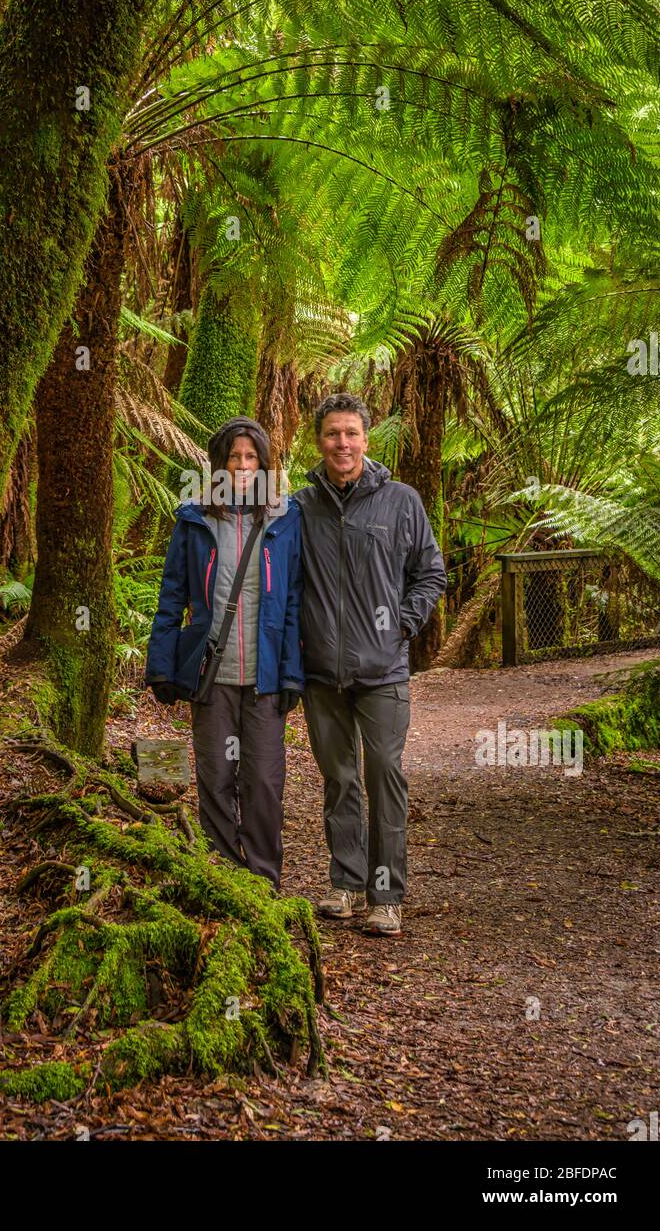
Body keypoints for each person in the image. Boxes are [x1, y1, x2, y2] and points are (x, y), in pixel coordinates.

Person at [293, 392, 447, 936]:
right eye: (333, 433)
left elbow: (431, 573)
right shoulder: (299, 507)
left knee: (384, 775)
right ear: (319, 440)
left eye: (352, 433)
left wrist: (402, 624)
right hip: (320, 675)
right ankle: (347, 884)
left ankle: (387, 896)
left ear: (366, 438)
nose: (342, 443)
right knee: (339, 779)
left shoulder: (401, 501)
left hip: (383, 672)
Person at [145, 417, 304, 888]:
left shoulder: (284, 517)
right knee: (215, 778)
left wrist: (293, 674)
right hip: (210, 674)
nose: (242, 465)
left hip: (265, 676)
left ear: (264, 464)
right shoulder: (195, 518)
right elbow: (172, 594)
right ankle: (223, 880)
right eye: (233, 457)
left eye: (251, 457)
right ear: (218, 464)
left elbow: (293, 600)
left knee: (263, 784)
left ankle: (263, 882)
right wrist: (161, 665)